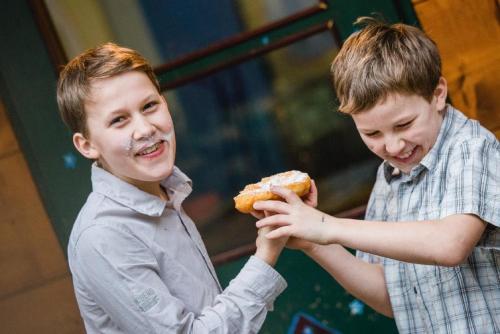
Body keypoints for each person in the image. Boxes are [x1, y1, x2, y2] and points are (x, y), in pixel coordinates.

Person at [254, 17, 499, 334]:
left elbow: (450, 244)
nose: (393, 145)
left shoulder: (470, 149)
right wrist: (315, 241)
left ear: (438, 94)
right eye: (372, 133)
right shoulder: (390, 178)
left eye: (404, 125)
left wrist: (328, 226)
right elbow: (392, 299)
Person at [57, 42, 289, 333]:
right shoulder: (104, 237)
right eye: (119, 120)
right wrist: (265, 254)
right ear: (87, 145)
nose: (144, 129)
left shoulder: (163, 193)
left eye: (149, 106)